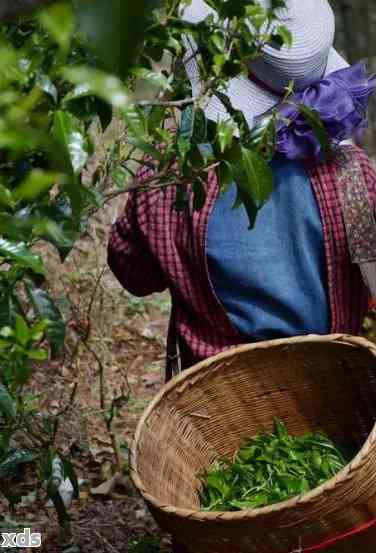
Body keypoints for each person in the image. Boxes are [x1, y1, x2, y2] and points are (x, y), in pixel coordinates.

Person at [108, 0, 376, 377]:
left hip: (215, 398)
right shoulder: (351, 176)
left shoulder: (173, 176)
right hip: (329, 394)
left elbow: (132, 273)